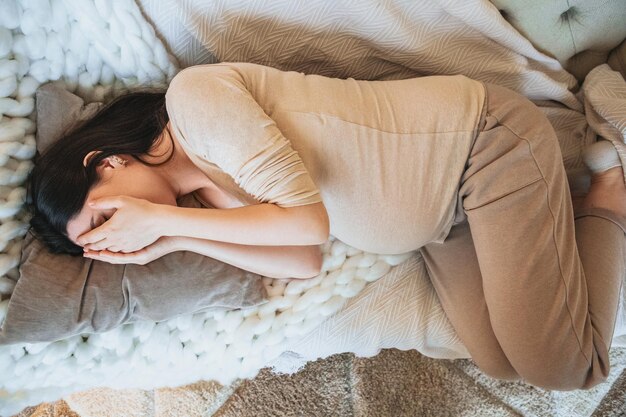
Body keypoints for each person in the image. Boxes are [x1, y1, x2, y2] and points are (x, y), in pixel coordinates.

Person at [25, 62, 625, 391]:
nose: (123, 229)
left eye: (107, 216)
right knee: (498, 360)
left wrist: (158, 216)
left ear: (104, 162)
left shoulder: (194, 102)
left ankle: (609, 196)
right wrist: (176, 234)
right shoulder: (202, 200)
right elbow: (303, 261)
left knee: (564, 370)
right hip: (449, 221)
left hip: (485, 150)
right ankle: (550, 229)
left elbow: (307, 221)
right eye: (106, 237)